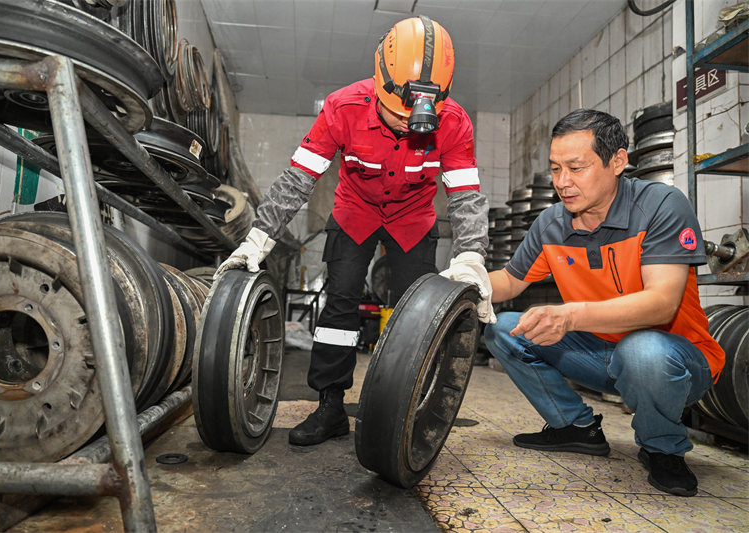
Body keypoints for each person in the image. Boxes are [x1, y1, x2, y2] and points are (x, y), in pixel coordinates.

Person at [216, 15, 496, 446]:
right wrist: (258, 237)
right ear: (380, 84)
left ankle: (408, 406)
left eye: (418, 116)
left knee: (416, 314)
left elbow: (465, 196)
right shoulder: (342, 107)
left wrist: (472, 254)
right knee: (340, 307)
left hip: (413, 219)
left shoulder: (454, 122)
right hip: (355, 212)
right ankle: (330, 406)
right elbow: (298, 179)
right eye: (398, 113)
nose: (408, 123)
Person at [484, 109, 725, 497]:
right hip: (600, 354)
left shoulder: (661, 206)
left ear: (618, 161)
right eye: (556, 169)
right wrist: (467, 279)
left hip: (675, 360)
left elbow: (662, 304)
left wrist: (572, 316)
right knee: (503, 328)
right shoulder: (551, 223)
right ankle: (575, 428)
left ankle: (662, 448)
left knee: (641, 349)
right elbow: (510, 281)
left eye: (576, 168)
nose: (563, 182)